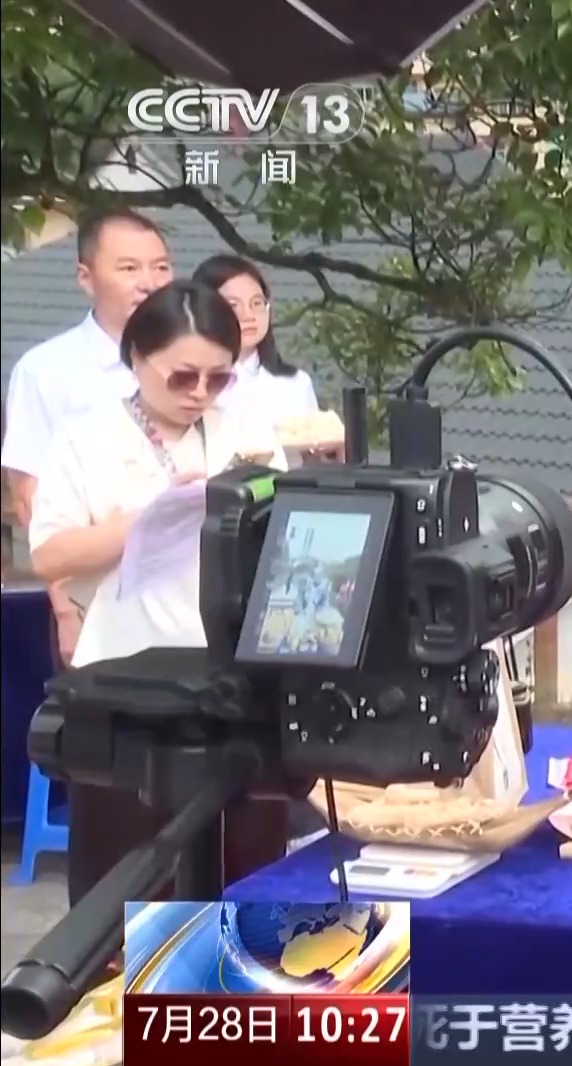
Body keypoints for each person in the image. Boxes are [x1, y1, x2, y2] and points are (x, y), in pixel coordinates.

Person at [27, 279, 291, 906]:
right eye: (182, 377)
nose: (200, 393)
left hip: (232, 681)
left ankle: (239, 973)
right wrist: (150, 517)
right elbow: (50, 554)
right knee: (134, 880)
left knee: (249, 876)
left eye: (219, 378)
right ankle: (147, 974)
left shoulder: (245, 432)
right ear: (138, 358)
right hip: (129, 686)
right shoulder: (87, 439)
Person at [3, 209, 174, 663]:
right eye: (129, 268)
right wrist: (66, 610)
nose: (149, 283)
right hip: (95, 603)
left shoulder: (196, 366)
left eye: (161, 267)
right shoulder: (46, 370)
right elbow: (30, 498)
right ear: (85, 277)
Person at [192, 254, 337, 460]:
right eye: (233, 305)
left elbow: (313, 458)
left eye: (257, 303)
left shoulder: (295, 383)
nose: (248, 315)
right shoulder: (189, 384)